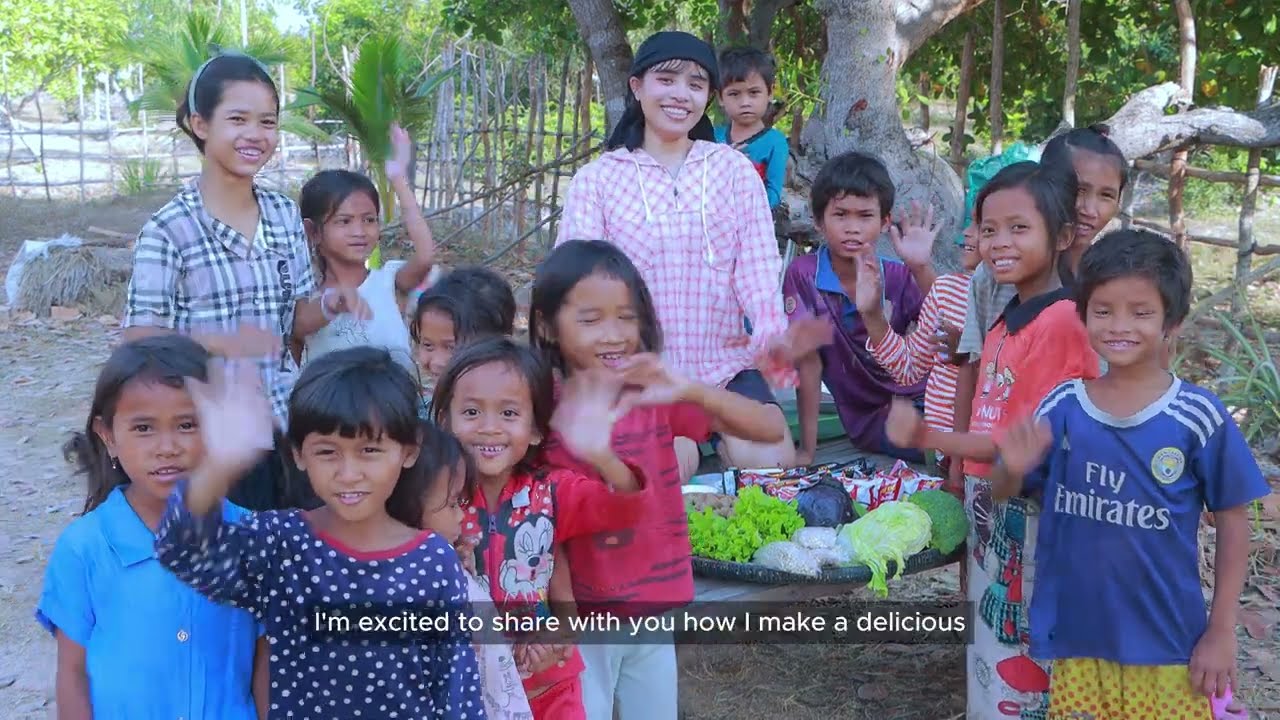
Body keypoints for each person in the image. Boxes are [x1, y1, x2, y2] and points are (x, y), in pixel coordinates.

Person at [992, 229, 1269, 720]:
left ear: (1172, 322)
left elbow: (1232, 519)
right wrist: (1010, 468)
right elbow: (1004, 492)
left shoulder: (1196, 416)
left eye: (1141, 312)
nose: (1120, 326)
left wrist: (1220, 630)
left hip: (1167, 642)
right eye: (1103, 310)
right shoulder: (1062, 407)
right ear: (1083, 314)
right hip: (1077, 640)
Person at [528, 239, 788, 719]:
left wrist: (687, 387)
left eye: (626, 317)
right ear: (546, 325)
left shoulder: (652, 396)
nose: (613, 335)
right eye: (590, 320)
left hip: (655, 610)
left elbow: (771, 430)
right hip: (585, 620)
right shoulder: (536, 410)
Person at [154, 347, 484, 718]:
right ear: (298, 454)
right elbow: (181, 550)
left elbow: (457, 688)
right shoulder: (280, 543)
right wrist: (221, 463)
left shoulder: (433, 561)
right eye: (327, 452)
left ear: (407, 452)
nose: (348, 472)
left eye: (370, 450)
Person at [884, 161, 1101, 720]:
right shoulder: (1008, 320)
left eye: (1018, 228)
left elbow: (1017, 442)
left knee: (1021, 650)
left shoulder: (1061, 324)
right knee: (992, 638)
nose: (998, 242)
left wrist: (931, 435)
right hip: (994, 507)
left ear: (1063, 236)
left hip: (1031, 517)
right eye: (988, 228)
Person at [557, 30, 806, 472]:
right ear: (637, 87)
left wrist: (771, 335)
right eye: (666, 80)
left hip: (725, 367)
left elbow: (758, 269)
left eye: (695, 84)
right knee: (671, 466)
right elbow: (576, 287)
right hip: (637, 373)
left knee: (771, 460)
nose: (680, 95)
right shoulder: (598, 180)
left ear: (708, 96)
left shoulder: (733, 172)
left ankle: (721, 436)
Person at [120, 51, 323, 512]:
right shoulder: (169, 230)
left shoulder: (283, 213)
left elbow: (294, 317)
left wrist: (341, 301)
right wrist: (224, 343)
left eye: (268, 122)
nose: (256, 135)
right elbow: (139, 343)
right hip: (216, 441)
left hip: (288, 428)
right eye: (238, 119)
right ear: (201, 124)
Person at [35, 335, 267, 720]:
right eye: (143, 428)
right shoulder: (85, 548)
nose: (167, 447)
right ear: (108, 436)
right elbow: (72, 675)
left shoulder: (249, 538)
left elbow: (264, 664)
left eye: (188, 424)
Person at [429, 337, 659, 719]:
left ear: (536, 429)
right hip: (473, 691)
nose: (489, 428)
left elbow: (626, 507)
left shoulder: (553, 491)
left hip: (552, 685)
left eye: (508, 414)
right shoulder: (434, 503)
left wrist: (600, 453)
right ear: (444, 422)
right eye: (471, 412)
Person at [951, 126, 1128, 491]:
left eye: (1106, 196)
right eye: (1078, 190)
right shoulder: (994, 276)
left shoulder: (1120, 281)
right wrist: (957, 468)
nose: (1089, 209)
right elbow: (973, 370)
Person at [782, 150, 940, 465]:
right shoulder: (804, 275)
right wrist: (807, 451)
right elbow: (808, 364)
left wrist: (922, 268)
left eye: (865, 216)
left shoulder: (898, 275)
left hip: (930, 400)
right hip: (875, 417)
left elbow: (949, 325)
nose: (852, 227)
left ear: (884, 223)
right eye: (840, 215)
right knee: (948, 449)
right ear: (818, 221)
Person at [417, 420, 534, 720]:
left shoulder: (453, 567)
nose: (461, 515)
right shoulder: (425, 588)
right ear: (409, 505)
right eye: (452, 503)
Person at [296, 125, 437, 372]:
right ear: (313, 232)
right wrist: (333, 302)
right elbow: (299, 328)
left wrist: (398, 179)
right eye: (344, 221)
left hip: (397, 409)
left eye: (369, 219)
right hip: (332, 411)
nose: (360, 231)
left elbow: (425, 256)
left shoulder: (390, 282)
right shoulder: (307, 297)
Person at [867, 219, 981, 486]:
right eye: (971, 223)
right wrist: (872, 316)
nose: (966, 232)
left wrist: (969, 352)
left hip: (992, 465)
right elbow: (909, 369)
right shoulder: (946, 291)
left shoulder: (1026, 304)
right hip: (942, 459)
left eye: (982, 225)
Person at [412, 265, 517, 410]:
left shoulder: (510, 414)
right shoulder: (429, 410)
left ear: (500, 345)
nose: (437, 362)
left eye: (452, 347)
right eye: (428, 345)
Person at [714, 46, 789, 209]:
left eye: (754, 93)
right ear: (720, 97)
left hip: (755, 224)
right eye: (734, 94)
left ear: (770, 93)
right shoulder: (712, 138)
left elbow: (773, 195)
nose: (745, 102)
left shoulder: (775, 142)